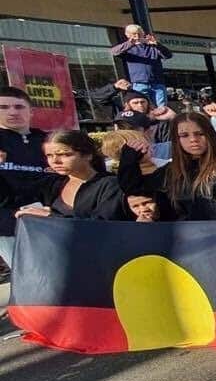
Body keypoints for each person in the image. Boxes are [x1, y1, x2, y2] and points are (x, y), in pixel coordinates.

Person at [118, 111, 216, 222]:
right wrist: (129, 157)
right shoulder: (173, 171)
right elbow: (133, 187)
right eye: (184, 135)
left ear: (209, 135)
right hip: (189, 245)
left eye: (199, 133)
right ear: (177, 140)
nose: (193, 140)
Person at [7, 131, 127, 221]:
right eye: (49, 155)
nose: (55, 161)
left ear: (87, 155)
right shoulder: (52, 183)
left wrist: (52, 217)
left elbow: (105, 225)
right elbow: (10, 199)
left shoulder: (110, 184)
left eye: (65, 155)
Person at [0, 86, 49, 267]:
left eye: (18, 107)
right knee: (28, 276)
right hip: (9, 225)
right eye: (3, 107)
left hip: (51, 220)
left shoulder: (50, 140)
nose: (12, 112)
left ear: (31, 111)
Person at [109, 25, 173, 107]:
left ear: (143, 34)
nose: (137, 36)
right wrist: (130, 43)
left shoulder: (153, 48)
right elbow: (114, 52)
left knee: (162, 108)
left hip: (157, 83)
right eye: (134, 34)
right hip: (139, 83)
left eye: (139, 33)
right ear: (128, 35)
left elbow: (168, 55)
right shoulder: (128, 49)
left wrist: (157, 44)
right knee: (140, 107)